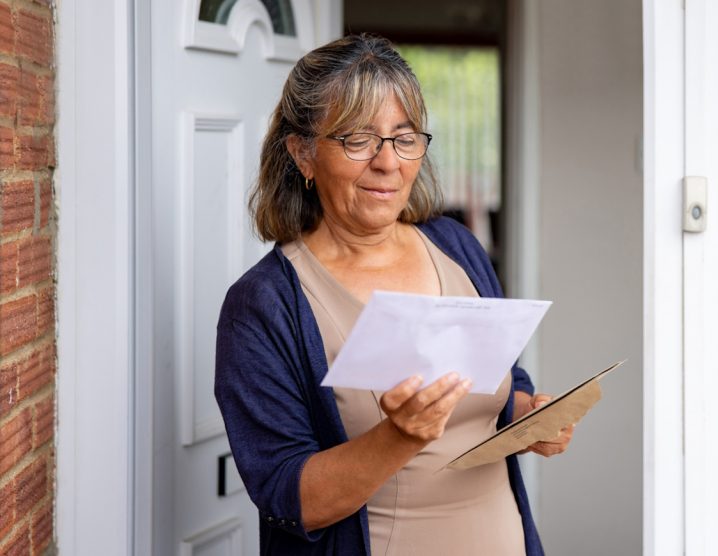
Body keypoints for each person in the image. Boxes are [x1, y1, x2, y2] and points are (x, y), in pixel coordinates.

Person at [214, 34, 573, 556]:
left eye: (404, 138)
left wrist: (530, 416)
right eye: (358, 139)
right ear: (303, 153)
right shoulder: (262, 305)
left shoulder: (456, 246)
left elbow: (505, 380)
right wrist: (399, 436)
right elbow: (287, 495)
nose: (388, 162)